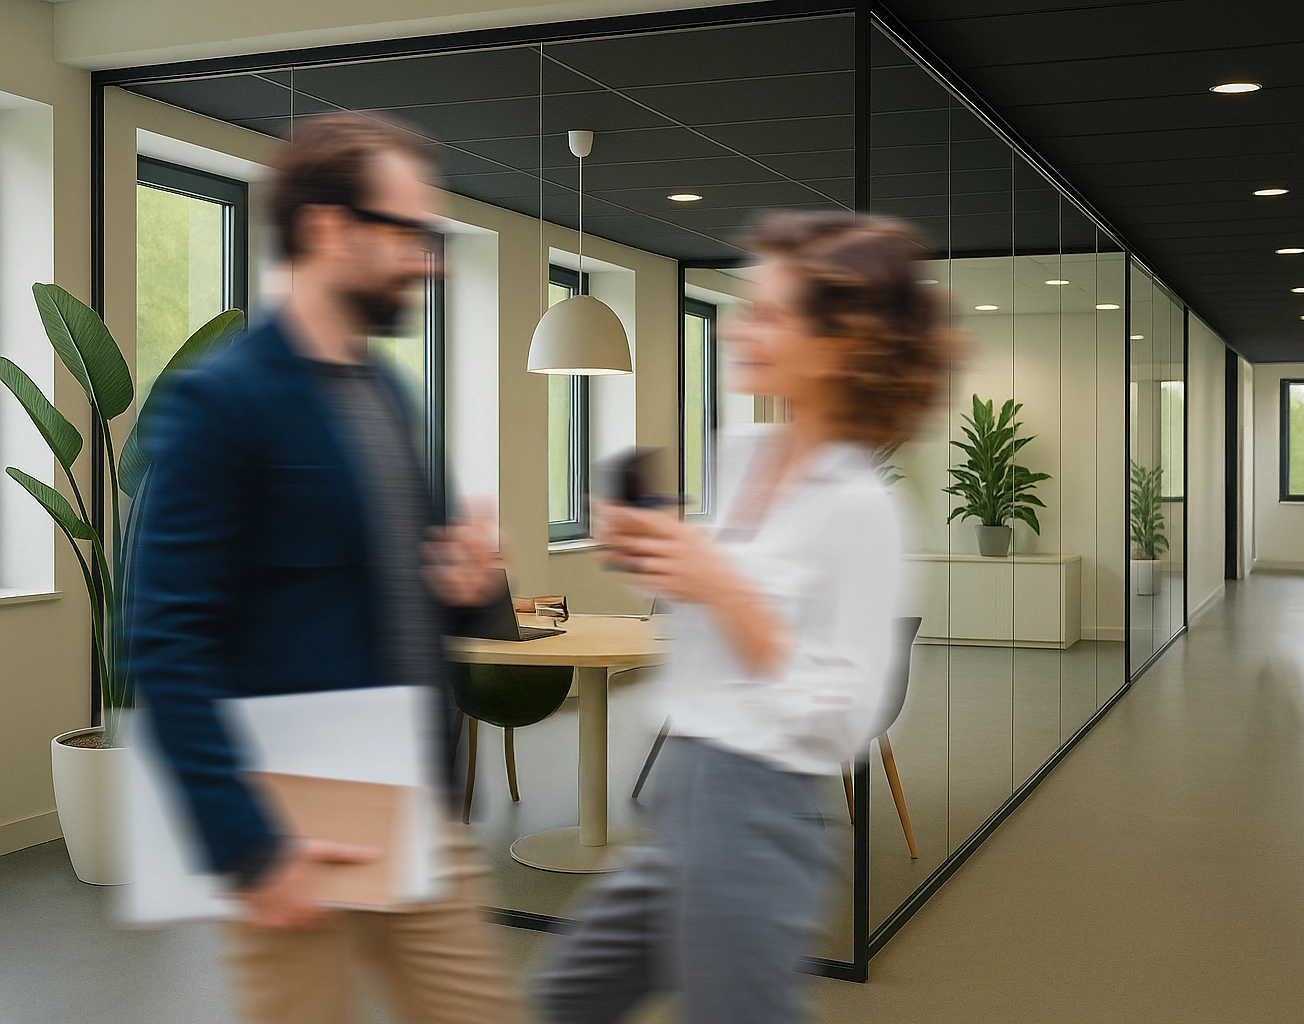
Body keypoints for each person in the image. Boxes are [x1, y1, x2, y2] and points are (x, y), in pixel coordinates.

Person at [128, 112, 516, 1024]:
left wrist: (469, 588)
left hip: (416, 801)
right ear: (327, 230)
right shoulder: (220, 403)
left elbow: (410, 590)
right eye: (411, 234)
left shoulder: (388, 392)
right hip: (298, 817)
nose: (433, 260)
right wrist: (248, 847)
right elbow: (167, 639)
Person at [535, 211, 952, 1024]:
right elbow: (719, 623)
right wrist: (664, 557)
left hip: (757, 811)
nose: (739, 329)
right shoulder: (744, 451)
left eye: (768, 313)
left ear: (839, 348)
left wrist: (721, 588)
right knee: (565, 997)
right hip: (686, 793)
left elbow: (844, 721)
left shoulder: (861, 507)